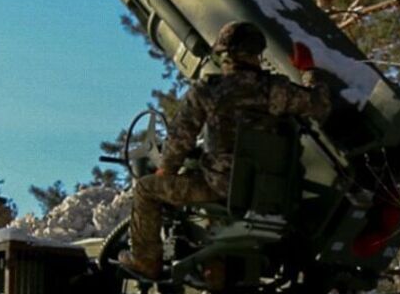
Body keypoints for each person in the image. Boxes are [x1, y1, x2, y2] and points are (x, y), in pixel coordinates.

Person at [123, 19, 331, 278]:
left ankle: (146, 262)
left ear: (225, 53)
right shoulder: (276, 91)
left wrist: (166, 169)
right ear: (257, 54)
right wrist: (309, 70)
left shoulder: (208, 91)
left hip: (218, 187)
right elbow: (320, 104)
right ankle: (215, 267)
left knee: (145, 189)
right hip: (268, 192)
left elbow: (180, 139)